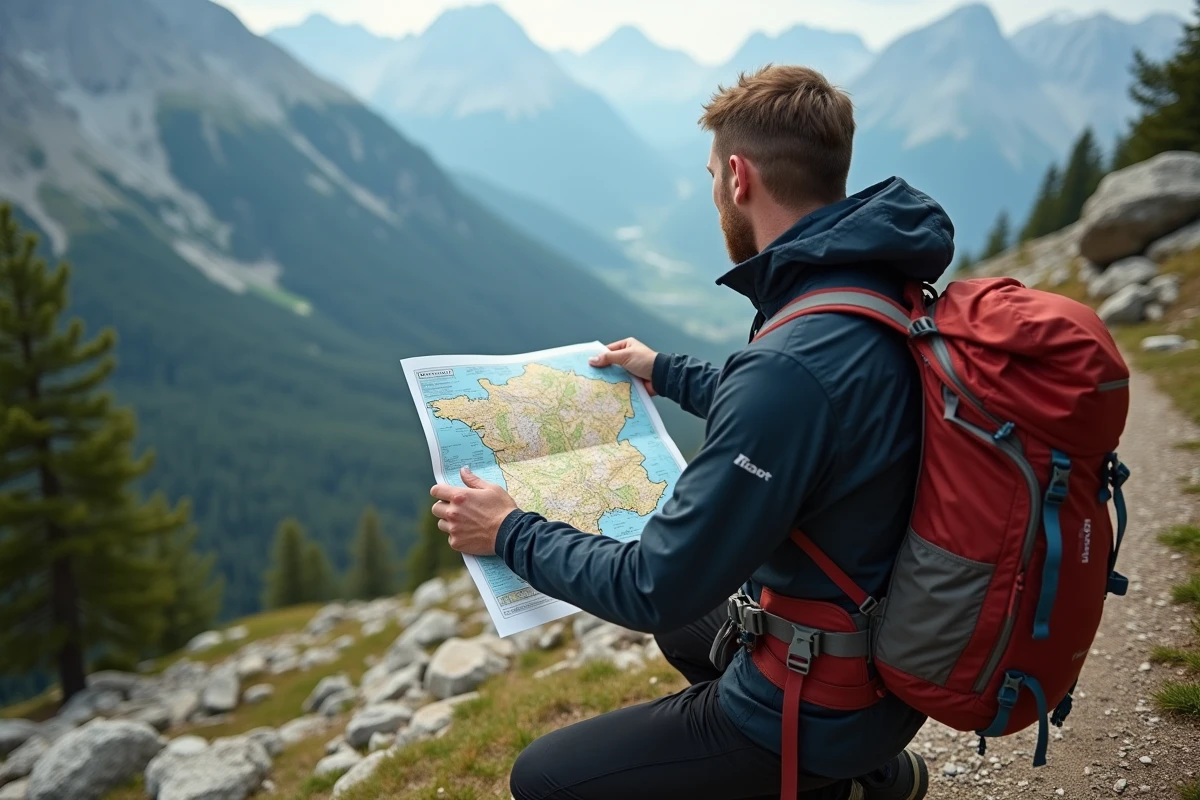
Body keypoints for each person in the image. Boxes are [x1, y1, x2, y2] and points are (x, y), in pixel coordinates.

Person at [429, 64, 955, 800]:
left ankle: (831, 773)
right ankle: (873, 777)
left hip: (820, 698)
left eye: (712, 176)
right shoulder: (874, 289)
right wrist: (664, 370)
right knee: (693, 625)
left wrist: (509, 531)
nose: (715, 193)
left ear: (738, 178)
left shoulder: (791, 365)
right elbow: (807, 415)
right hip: (881, 644)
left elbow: (652, 586)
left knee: (543, 778)